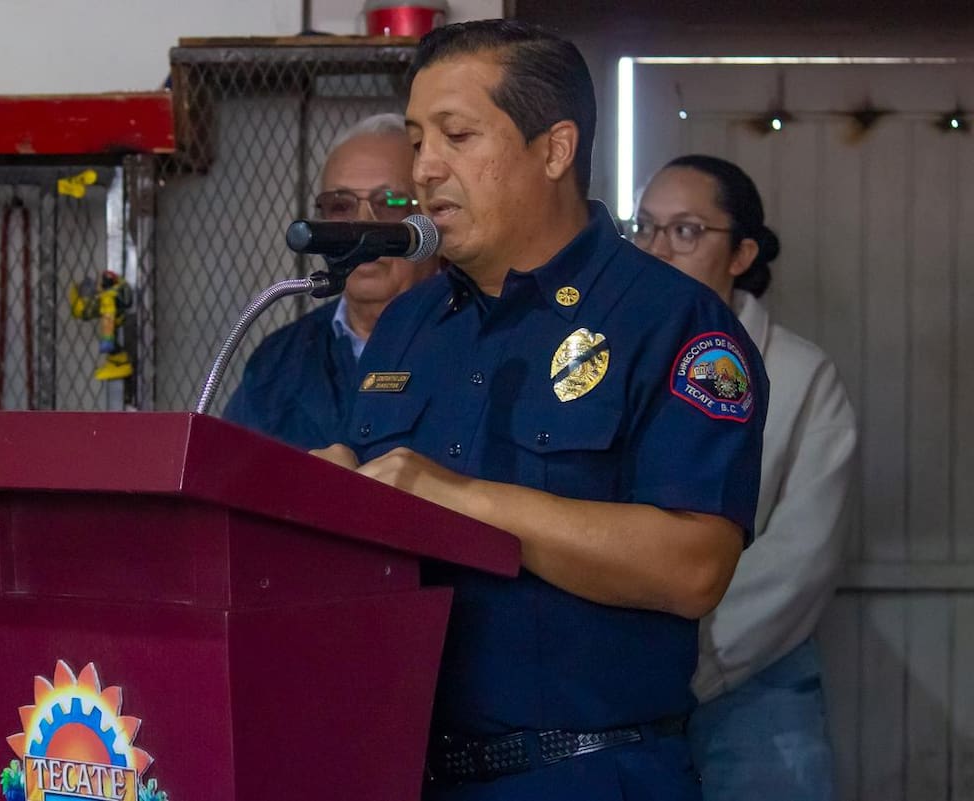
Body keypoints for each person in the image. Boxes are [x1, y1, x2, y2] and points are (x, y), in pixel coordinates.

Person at [312, 20, 767, 801]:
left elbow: (694, 567)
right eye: (419, 140)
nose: (425, 168)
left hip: (588, 772)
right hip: (401, 769)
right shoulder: (408, 324)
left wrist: (458, 501)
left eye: (457, 135)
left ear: (554, 150)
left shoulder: (671, 322)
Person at [632, 154, 857, 801]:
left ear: (742, 252)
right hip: (631, 681)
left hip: (756, 679)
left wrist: (696, 666)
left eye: (686, 230)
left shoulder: (799, 373)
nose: (658, 248)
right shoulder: (613, 364)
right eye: (646, 227)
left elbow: (800, 558)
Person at [224, 112, 440, 449]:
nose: (362, 228)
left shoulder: (475, 339)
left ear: (431, 218)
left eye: (391, 203)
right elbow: (227, 476)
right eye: (341, 206)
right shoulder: (281, 358)